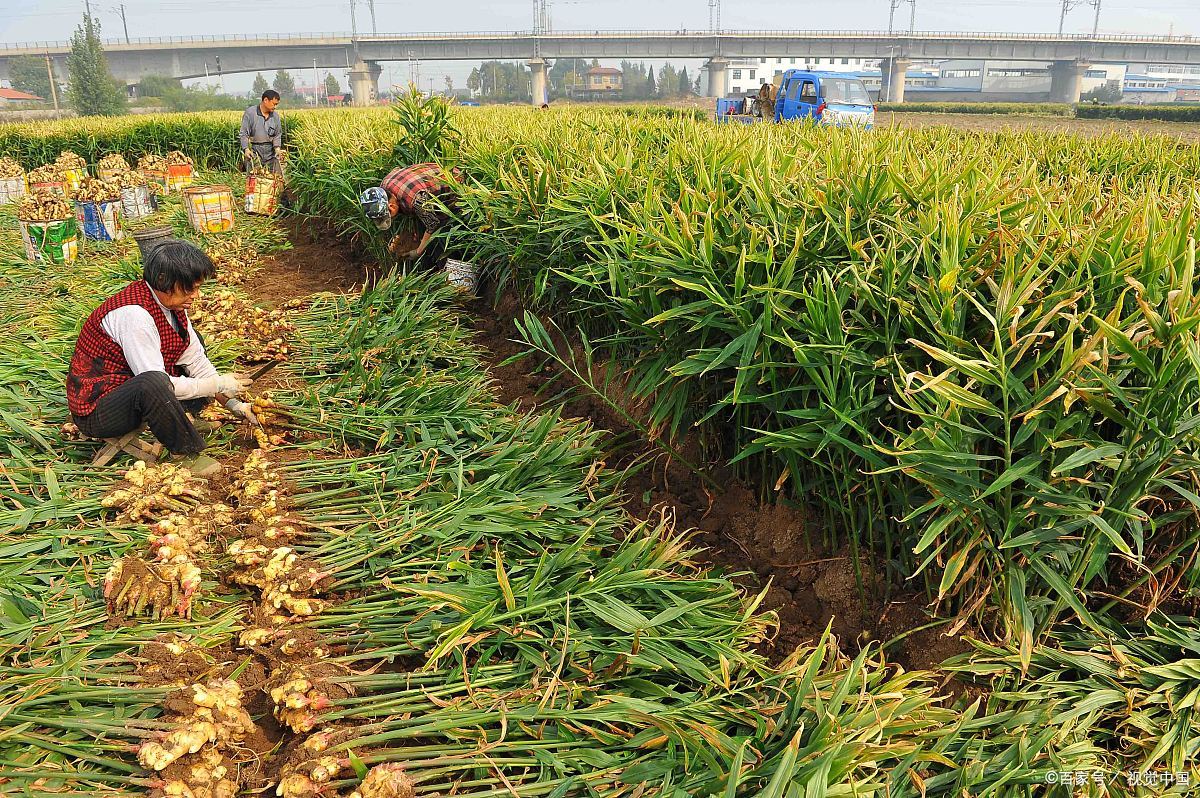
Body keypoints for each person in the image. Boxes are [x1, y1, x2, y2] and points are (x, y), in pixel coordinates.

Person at [66, 241, 258, 477]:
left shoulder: (173, 303)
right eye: (190, 289)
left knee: (189, 339)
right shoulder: (134, 316)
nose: (196, 296)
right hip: (99, 409)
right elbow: (159, 383)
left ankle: (182, 419)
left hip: (130, 387)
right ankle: (184, 453)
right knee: (153, 383)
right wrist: (217, 384)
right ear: (165, 282)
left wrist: (233, 403)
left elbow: (195, 360)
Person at [358, 162, 459, 263]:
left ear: (391, 207)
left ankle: (447, 261)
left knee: (441, 237)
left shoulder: (415, 200)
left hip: (455, 182)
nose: (390, 219)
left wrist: (418, 251)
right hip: (433, 174)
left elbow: (433, 224)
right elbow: (397, 168)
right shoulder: (384, 186)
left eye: (388, 216)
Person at [240, 89, 283, 175]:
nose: (275, 107)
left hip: (270, 151)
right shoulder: (250, 113)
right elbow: (244, 133)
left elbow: (277, 135)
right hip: (255, 150)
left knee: (275, 178)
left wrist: (277, 149)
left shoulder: (275, 116)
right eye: (274, 104)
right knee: (254, 178)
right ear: (265, 100)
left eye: (276, 105)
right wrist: (246, 149)